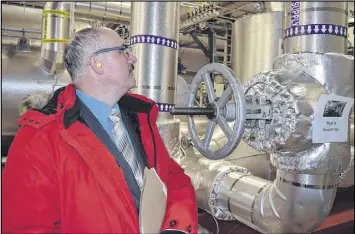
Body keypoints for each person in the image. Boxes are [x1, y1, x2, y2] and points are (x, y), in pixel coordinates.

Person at [2, 27, 198, 234]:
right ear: (97, 63)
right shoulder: (39, 138)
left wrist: (176, 227)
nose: (133, 58)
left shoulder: (140, 119)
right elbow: (27, 227)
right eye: (123, 50)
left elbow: (174, 179)